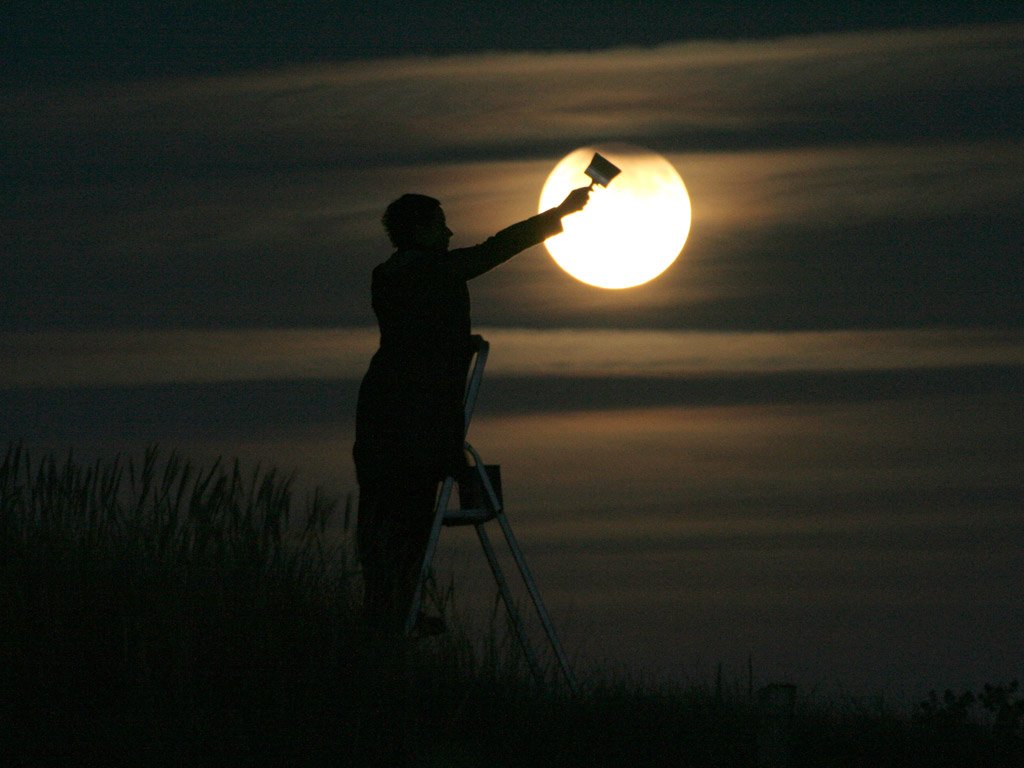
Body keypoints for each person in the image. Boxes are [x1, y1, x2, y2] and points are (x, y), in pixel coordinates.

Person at [353, 186, 591, 634]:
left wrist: (457, 345)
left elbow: (415, 331)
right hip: (417, 416)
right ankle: (396, 614)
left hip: (380, 409)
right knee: (411, 517)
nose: (448, 232)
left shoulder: (384, 274)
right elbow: (495, 249)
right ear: (420, 228)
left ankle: (385, 610)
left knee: (379, 516)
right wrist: (558, 214)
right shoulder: (436, 271)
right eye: (440, 223)